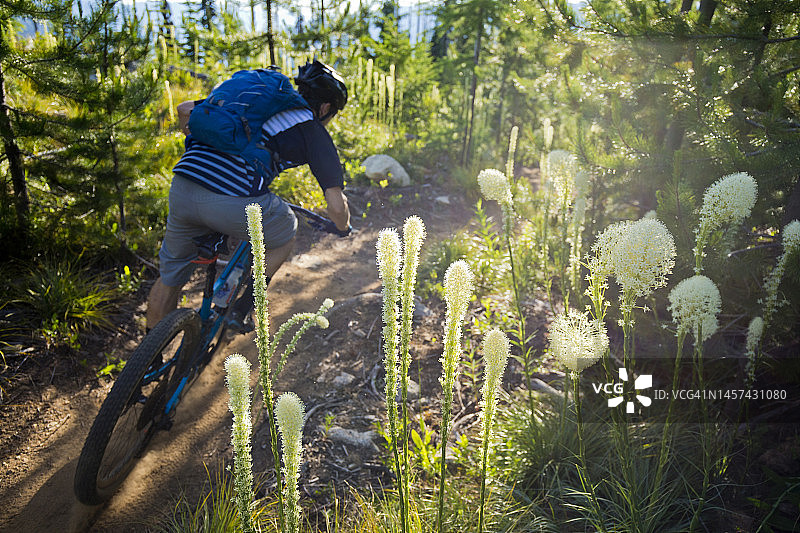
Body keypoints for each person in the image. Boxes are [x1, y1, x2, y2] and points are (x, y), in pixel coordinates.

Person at [146, 60, 351, 331]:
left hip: (184, 183)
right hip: (231, 199)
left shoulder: (251, 104)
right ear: (325, 108)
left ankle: (150, 354)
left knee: (169, 278)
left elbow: (184, 110)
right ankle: (242, 309)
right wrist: (343, 227)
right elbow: (336, 206)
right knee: (287, 228)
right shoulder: (312, 129)